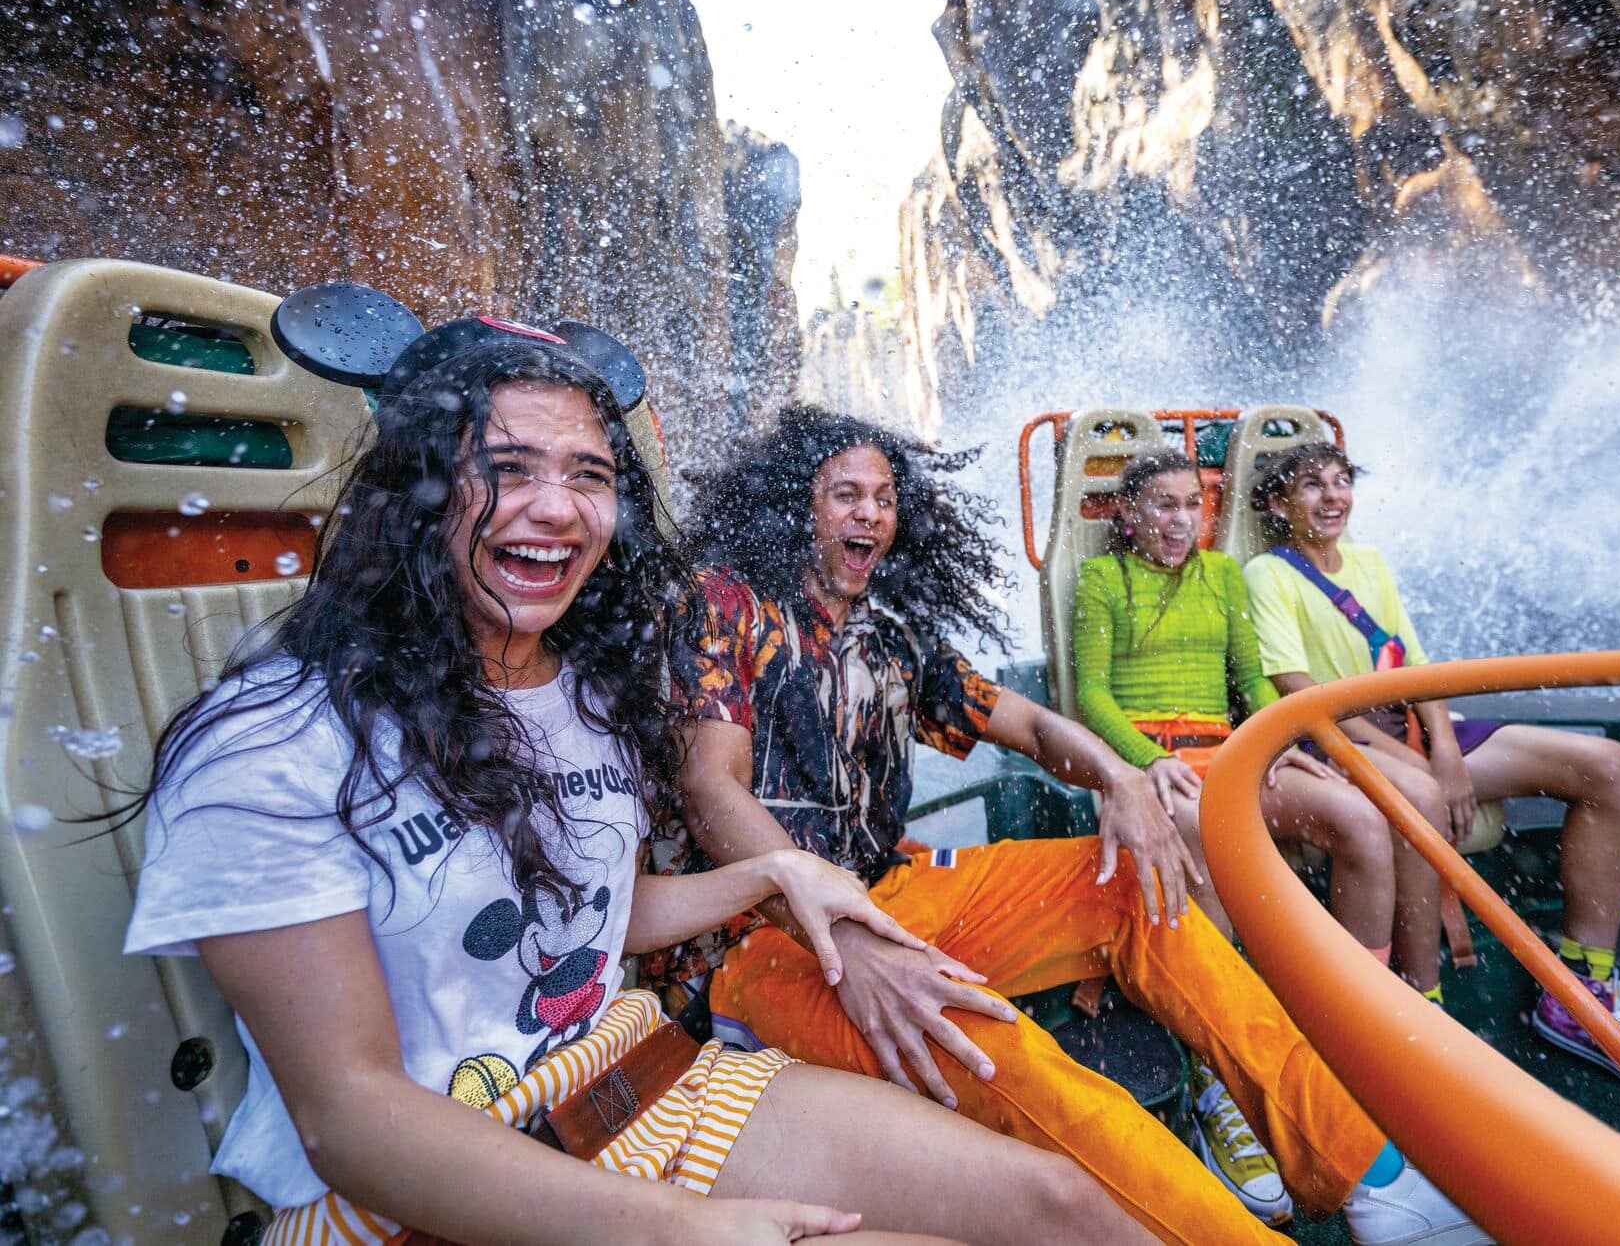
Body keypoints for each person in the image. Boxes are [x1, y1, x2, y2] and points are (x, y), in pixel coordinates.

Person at [121, 329, 1144, 1245]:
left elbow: (588, 914)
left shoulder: (581, 694)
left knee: (1063, 1205)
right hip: (428, 1191)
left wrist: (775, 877)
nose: (557, 507)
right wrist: (673, 1226)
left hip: (637, 1077)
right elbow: (351, 1117)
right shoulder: (271, 744)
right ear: (419, 488)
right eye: (505, 467)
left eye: (587, 473)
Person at [659, 405, 1488, 1246]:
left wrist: (1119, 777)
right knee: (996, 1046)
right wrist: (842, 928)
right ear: (794, 506)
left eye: (883, 497)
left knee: (1135, 881)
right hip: (764, 944)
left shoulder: (892, 630)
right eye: (845, 495)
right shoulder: (726, 605)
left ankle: (1367, 1172)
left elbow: (1028, 725)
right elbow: (711, 789)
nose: (870, 513)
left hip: (889, 895)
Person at [1243, 442, 1620, 1115]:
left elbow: (1417, 666)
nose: (1331, 497)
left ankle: (1582, 991)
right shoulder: (1268, 573)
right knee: (1419, 796)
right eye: (1311, 486)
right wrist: (1420, 765)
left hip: (1408, 729)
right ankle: (1421, 1006)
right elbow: (1300, 690)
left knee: (1613, 769)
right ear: (1277, 503)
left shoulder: (1371, 563)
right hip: (1337, 738)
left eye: (1341, 481)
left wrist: (1440, 744)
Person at [1070, 450, 1401, 1224]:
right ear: (1129, 515)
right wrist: (1150, 762)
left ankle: (1356, 1026)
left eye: (1192, 504)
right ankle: (1218, 1077)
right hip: (1145, 758)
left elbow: (1252, 683)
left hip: (1228, 749)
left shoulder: (1223, 579)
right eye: (1162, 506)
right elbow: (1089, 695)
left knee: (1360, 819)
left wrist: (1277, 734)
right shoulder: (1102, 581)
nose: (1180, 521)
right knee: (1215, 839)